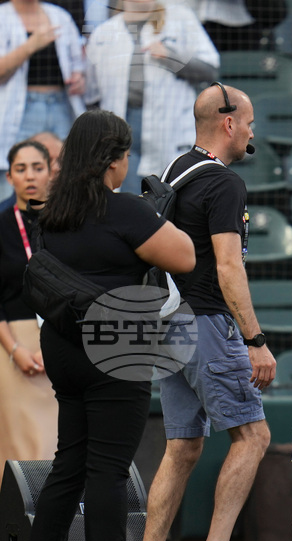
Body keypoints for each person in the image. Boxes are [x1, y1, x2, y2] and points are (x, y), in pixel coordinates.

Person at [13, 110, 195, 541]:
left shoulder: (53, 211)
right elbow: (184, 257)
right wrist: (156, 214)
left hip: (64, 346)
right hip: (116, 341)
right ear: (112, 158)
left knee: (69, 462)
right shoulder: (127, 210)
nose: (127, 162)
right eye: (125, 154)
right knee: (109, 468)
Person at [127, 83, 277, 541]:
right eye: (249, 121)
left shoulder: (173, 172)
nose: (253, 131)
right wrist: (255, 339)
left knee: (184, 445)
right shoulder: (224, 183)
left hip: (167, 324)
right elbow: (229, 268)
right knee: (254, 436)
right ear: (229, 123)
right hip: (207, 321)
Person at [85, 0, 219, 194]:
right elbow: (92, 97)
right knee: (130, 203)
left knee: (170, 203)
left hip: (170, 133)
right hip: (121, 133)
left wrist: (170, 56)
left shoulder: (181, 18)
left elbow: (210, 71)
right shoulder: (103, 33)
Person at [0, 140, 58, 472]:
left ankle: (61, 524)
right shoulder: (2, 225)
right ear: (9, 177)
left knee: (56, 445)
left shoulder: (65, 222)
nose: (30, 176)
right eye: (21, 169)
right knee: (17, 447)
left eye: (37, 167)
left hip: (60, 342)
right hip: (13, 346)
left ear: (51, 171)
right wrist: (16, 350)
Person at [0, 0, 85, 201]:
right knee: (20, 171)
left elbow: (79, 64)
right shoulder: (2, 16)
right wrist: (31, 45)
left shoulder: (59, 16)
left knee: (65, 172)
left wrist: (79, 78)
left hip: (61, 105)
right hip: (21, 111)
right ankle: (12, 229)